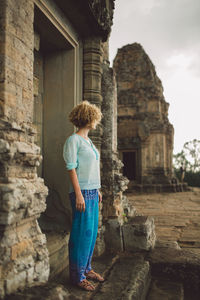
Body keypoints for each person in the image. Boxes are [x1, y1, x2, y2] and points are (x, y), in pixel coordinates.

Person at [63, 100, 104, 291]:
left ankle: (87, 269)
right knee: (81, 235)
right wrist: (79, 195)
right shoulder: (74, 140)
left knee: (91, 233)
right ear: (88, 118)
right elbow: (71, 168)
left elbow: (92, 168)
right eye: (94, 117)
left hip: (93, 192)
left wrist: (97, 190)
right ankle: (77, 276)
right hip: (81, 193)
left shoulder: (89, 141)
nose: (96, 120)